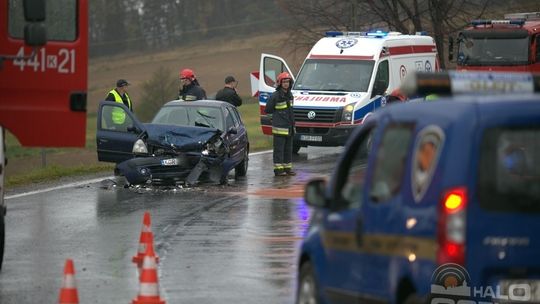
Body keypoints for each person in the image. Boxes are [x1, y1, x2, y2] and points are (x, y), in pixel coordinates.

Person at [265, 72, 296, 176]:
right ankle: (278, 170)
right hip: (279, 128)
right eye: (284, 82)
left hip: (289, 127)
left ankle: (287, 169)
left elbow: (291, 111)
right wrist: (274, 120)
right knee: (279, 150)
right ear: (280, 83)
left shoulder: (290, 95)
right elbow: (268, 110)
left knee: (288, 150)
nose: (286, 84)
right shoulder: (275, 96)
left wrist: (293, 125)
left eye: (288, 81)